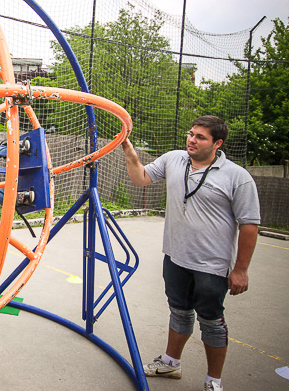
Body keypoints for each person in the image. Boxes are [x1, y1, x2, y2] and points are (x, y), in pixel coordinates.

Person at [121, 115, 259, 391]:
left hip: (211, 265)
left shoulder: (237, 176)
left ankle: (213, 381)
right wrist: (129, 151)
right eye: (191, 134)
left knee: (212, 321)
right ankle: (171, 363)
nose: (192, 140)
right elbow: (141, 178)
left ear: (217, 143)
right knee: (179, 311)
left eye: (200, 137)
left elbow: (249, 225)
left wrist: (241, 269)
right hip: (175, 257)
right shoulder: (174, 159)